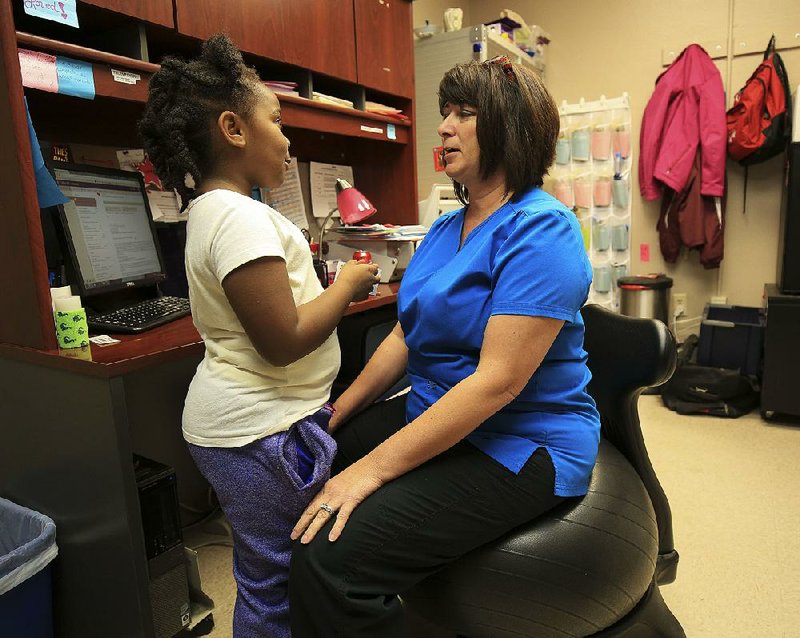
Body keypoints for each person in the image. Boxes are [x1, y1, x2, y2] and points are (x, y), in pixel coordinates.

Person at [289, 56, 602, 637]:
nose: (444, 128)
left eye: (464, 114)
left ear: (510, 127)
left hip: (520, 441)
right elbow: (406, 333)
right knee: (312, 460)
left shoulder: (542, 230)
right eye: (444, 114)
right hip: (438, 412)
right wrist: (339, 411)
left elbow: (498, 382)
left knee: (332, 562)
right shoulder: (441, 229)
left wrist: (372, 472)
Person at [138, 34, 380, 638]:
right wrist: (348, 284)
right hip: (257, 433)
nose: (288, 135)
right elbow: (284, 339)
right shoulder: (240, 217)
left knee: (265, 573)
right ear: (233, 129)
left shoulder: (214, 211)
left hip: (244, 427)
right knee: (280, 583)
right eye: (276, 119)